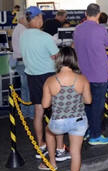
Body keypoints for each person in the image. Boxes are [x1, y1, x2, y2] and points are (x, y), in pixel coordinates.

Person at [20, 6, 70, 161]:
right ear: (36, 19)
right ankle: (60, 149)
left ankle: (41, 145)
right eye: (40, 17)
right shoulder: (45, 37)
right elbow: (56, 56)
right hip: (49, 77)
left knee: (38, 112)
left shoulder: (23, 35)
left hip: (32, 76)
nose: (42, 19)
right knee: (58, 112)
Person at [41, 47, 91, 171]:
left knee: (49, 132)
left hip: (59, 122)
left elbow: (45, 105)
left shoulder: (50, 80)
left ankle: (52, 161)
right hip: (79, 121)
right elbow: (88, 101)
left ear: (59, 59)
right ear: (74, 59)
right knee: (76, 152)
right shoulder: (82, 79)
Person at [73, 3, 108, 145]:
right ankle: (95, 135)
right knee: (97, 106)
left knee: (86, 105)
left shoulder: (77, 29)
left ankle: (88, 130)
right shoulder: (101, 29)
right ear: (99, 14)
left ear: (85, 13)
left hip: (83, 74)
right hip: (99, 74)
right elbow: (107, 45)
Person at [11, 11, 34, 119]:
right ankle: (31, 114)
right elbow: (28, 48)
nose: (28, 20)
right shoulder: (23, 30)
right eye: (26, 18)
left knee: (25, 89)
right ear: (22, 19)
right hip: (25, 62)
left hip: (20, 62)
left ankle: (25, 113)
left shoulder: (17, 29)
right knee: (29, 88)